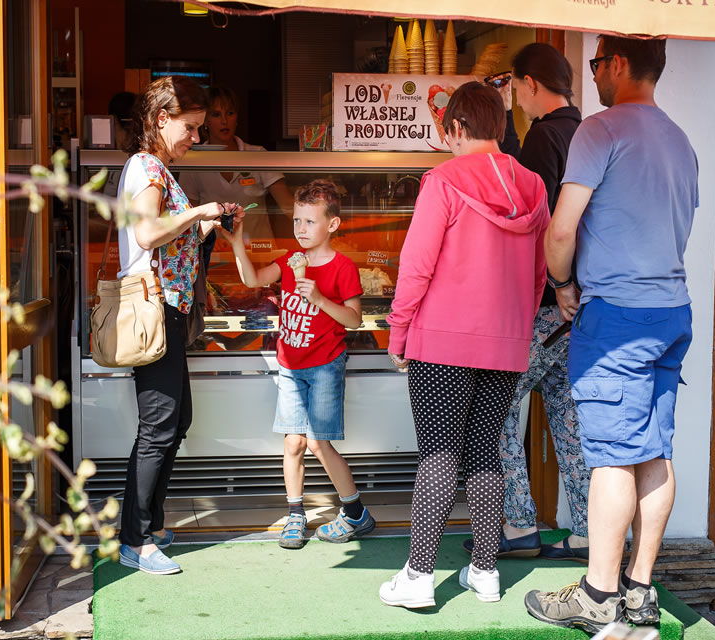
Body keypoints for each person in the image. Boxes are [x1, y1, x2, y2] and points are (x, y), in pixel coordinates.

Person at [524, 36, 698, 633]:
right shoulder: (680, 139)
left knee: (610, 459)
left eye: (597, 63)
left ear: (618, 64)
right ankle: (640, 593)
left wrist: (561, 284)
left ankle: (598, 595)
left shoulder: (599, 130)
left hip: (617, 316)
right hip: (672, 311)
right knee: (654, 452)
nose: (592, 75)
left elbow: (561, 230)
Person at [378, 82, 550, 608]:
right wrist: (517, 327)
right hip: (506, 343)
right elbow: (539, 273)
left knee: (438, 453)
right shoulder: (534, 186)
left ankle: (418, 576)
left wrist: (398, 331)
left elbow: (417, 265)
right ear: (498, 126)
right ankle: (485, 572)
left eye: (446, 132)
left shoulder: (443, 180)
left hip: (442, 343)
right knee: (484, 451)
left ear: (456, 127)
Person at [463, 42, 590, 563]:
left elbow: (529, 212)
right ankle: (588, 531)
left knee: (494, 408)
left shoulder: (544, 135)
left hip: (545, 302)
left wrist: (556, 282)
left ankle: (517, 525)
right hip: (582, 308)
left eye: (515, 87)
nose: (515, 97)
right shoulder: (585, 132)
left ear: (530, 84)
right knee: (568, 417)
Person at [115, 76, 243, 575]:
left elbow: (168, 237)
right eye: (190, 127)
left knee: (174, 420)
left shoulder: (154, 168)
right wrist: (200, 211)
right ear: (161, 119)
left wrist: (207, 225)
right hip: (154, 309)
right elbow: (148, 233)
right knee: (159, 425)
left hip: (165, 309)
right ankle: (136, 540)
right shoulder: (148, 166)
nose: (196, 136)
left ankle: (148, 526)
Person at [220, 179, 375, 549]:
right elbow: (252, 279)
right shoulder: (290, 261)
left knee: (319, 443)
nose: (301, 229)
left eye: (309, 221)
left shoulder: (342, 268)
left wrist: (319, 298)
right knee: (293, 443)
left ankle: (356, 513)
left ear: (332, 224)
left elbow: (354, 320)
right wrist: (237, 242)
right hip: (290, 365)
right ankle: (295, 514)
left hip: (324, 366)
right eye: (296, 221)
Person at [180, 87, 295, 269]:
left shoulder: (257, 154)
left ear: (237, 117)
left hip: (261, 257)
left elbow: (288, 205)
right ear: (205, 121)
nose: (224, 121)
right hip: (214, 259)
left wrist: (320, 228)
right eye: (216, 114)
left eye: (230, 113)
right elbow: (189, 217)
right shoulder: (194, 161)